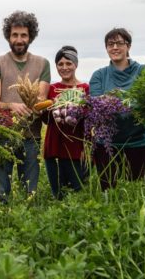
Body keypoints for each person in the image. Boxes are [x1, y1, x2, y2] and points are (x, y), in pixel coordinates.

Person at [0, 11, 51, 201]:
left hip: (30, 135)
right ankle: (0, 221)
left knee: (28, 190)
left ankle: (26, 221)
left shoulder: (42, 64)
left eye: (23, 35)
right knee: (0, 191)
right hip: (2, 134)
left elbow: (41, 99)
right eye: (15, 35)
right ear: (8, 36)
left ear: (30, 36)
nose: (19, 39)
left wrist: (34, 105)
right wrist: (11, 106)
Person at [89, 29, 145, 190]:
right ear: (106, 48)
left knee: (134, 190)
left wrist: (112, 102)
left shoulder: (142, 71)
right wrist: (129, 103)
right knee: (108, 190)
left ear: (128, 46)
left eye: (119, 43)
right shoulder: (99, 75)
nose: (115, 47)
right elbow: (97, 107)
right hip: (106, 144)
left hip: (137, 142)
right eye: (110, 44)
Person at [43, 46, 89, 199]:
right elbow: (45, 119)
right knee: (58, 195)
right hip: (54, 146)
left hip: (78, 149)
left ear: (76, 65)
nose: (64, 67)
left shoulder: (85, 89)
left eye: (69, 63)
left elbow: (90, 117)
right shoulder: (51, 89)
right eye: (60, 64)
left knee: (79, 193)